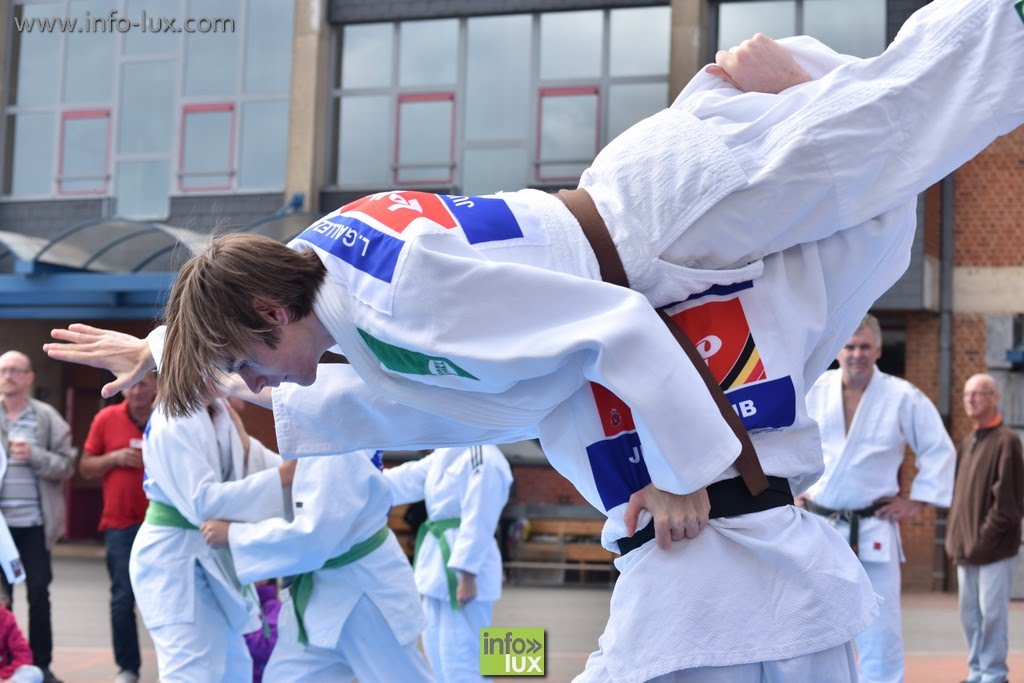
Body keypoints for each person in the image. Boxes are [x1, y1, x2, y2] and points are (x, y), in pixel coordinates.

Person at [42, 1, 1024, 679]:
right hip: (653, 237)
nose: (256, 385)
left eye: (249, 367)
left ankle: (804, 73)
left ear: (270, 317)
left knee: (897, 125)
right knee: (873, 209)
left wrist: (687, 471)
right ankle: (756, 84)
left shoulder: (398, 305)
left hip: (661, 218)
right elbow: (378, 401)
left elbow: (618, 326)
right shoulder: (319, 274)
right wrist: (167, 355)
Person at [803, 314, 956, 683]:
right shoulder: (814, 389)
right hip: (821, 526)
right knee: (817, 623)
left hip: (875, 527)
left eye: (865, 347)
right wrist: (791, 492)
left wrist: (917, 501)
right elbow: (787, 441)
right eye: (850, 346)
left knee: (881, 627)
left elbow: (939, 449)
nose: (857, 354)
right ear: (838, 349)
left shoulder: (903, 396)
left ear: (879, 349)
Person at [200, 451, 433, 682]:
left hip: (362, 594)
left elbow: (313, 537)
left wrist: (235, 535)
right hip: (324, 595)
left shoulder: (334, 441)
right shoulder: (322, 436)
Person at [130, 393, 291, 682]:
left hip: (207, 555)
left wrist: (293, 472)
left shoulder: (216, 411)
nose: (234, 370)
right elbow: (201, 501)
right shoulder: (175, 414)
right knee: (190, 671)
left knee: (234, 667)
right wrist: (280, 477)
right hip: (174, 557)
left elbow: (245, 462)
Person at [384, 445, 513, 682]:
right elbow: (406, 479)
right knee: (437, 658)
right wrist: (363, 477)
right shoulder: (447, 452)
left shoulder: (484, 457)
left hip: (465, 571)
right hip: (437, 571)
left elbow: (480, 518)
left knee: (464, 659)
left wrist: (467, 574)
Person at [0, 352, 75, 683]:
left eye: (16, 370)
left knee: (39, 593)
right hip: (0, 530)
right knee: (1, 598)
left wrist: (35, 455)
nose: (8, 376)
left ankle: (41, 665)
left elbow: (67, 464)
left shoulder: (46, 418)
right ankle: (6, 664)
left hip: (34, 525)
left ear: (29, 377)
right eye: (3, 370)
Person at [944, 374, 1023, 683]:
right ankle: (977, 671)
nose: (971, 399)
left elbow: (1009, 506)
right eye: (967, 394)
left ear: (995, 397)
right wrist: (956, 540)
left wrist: (981, 541)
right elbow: (957, 499)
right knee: (970, 617)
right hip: (967, 550)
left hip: (994, 551)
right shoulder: (968, 442)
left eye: (979, 393)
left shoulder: (1008, 442)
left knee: (992, 616)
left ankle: (994, 673)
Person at [79, 373, 157, 683]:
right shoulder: (106, 418)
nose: (137, 392)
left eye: (144, 385)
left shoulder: (170, 415)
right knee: (122, 598)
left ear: (156, 387)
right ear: (122, 390)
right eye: (131, 386)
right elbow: (84, 468)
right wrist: (113, 458)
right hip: (120, 523)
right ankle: (128, 668)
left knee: (168, 596)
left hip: (163, 522)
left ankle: (175, 666)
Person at [0, 597, 42, 683]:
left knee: (34, 673)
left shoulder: (6, 618)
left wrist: (3, 675)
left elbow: (24, 654)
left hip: (4, 675)